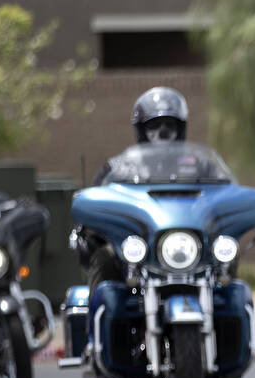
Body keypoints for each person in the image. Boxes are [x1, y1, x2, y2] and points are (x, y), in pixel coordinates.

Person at [80, 87, 190, 291]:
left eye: (169, 125)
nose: (163, 132)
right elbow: (93, 206)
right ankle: (99, 318)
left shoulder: (198, 166)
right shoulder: (118, 168)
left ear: (180, 128)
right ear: (142, 130)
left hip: (187, 246)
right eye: (155, 125)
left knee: (227, 257)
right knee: (105, 257)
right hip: (134, 249)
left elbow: (222, 195)